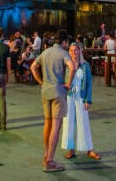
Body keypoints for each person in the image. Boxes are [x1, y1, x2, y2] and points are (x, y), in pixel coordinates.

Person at [31, 29, 70, 172]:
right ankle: (50, 161)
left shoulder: (45, 52)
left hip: (45, 91)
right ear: (64, 41)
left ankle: (46, 155)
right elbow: (72, 67)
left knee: (47, 123)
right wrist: (68, 83)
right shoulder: (63, 53)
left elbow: (33, 67)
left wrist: (40, 81)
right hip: (58, 92)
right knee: (56, 126)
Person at [60, 42, 100, 161]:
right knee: (68, 122)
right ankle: (71, 149)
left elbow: (89, 83)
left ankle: (89, 149)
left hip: (81, 96)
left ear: (80, 51)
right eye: (71, 50)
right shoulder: (67, 65)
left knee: (84, 122)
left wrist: (88, 100)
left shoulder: (85, 65)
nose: (73, 53)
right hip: (69, 96)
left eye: (75, 50)